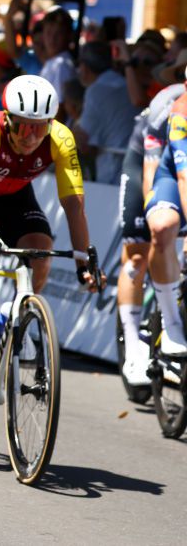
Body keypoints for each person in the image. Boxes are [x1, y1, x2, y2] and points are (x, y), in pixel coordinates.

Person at [0, 75, 101, 432]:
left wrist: (83, 261)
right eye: (24, 127)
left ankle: (24, 311)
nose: (31, 137)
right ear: (8, 119)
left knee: (41, 248)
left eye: (39, 128)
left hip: (15, 198)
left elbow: (74, 203)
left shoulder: (60, 138)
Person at [117, 84, 185, 385]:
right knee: (143, 245)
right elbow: (157, 176)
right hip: (151, 163)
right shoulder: (172, 109)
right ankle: (134, 347)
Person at [143, 91, 187, 358]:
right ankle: (171, 323)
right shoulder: (180, 113)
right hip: (173, 178)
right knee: (162, 228)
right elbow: (184, 178)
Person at [73, 41, 136, 184]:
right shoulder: (127, 83)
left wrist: (73, 130)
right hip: (135, 169)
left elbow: (84, 144)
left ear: (84, 67)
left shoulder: (95, 91)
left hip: (114, 175)